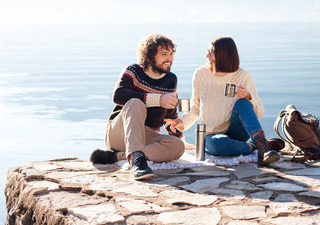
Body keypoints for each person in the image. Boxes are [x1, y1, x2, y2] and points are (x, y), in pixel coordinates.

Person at [175, 36, 284, 166]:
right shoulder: (200, 74)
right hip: (211, 135)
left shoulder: (243, 75)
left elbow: (259, 111)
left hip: (236, 131)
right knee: (218, 144)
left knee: (243, 103)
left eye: (211, 53)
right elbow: (196, 108)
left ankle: (264, 149)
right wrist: (181, 123)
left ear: (224, 55)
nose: (207, 56)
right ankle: (256, 146)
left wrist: (249, 97)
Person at [90, 34, 185, 180]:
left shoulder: (171, 79)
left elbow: (170, 115)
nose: (170, 58)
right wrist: (158, 99)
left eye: (171, 54)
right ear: (149, 57)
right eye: (164, 54)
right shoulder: (133, 71)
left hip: (146, 135)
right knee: (136, 103)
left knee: (178, 147)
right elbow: (118, 95)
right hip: (120, 132)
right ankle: (137, 161)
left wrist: (176, 131)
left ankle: (117, 156)